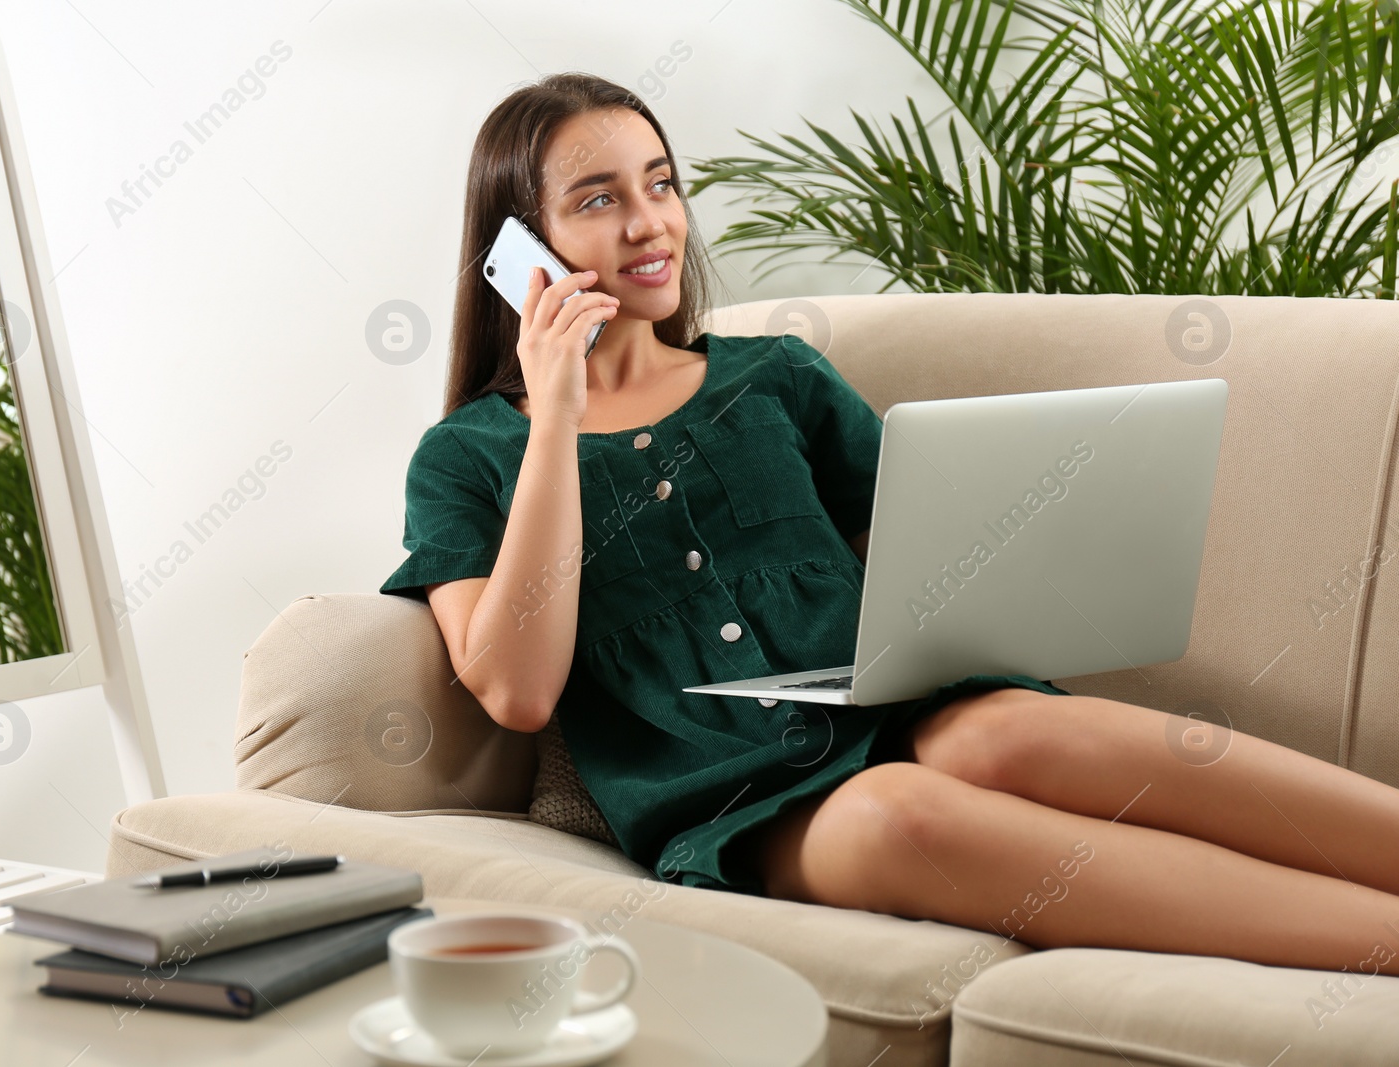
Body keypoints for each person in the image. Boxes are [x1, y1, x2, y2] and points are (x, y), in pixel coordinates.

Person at [379, 71, 1399, 976]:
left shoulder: (773, 375)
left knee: (1008, 730)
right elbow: (514, 689)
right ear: (520, 250)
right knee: (893, 810)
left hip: (896, 706)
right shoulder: (469, 455)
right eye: (599, 200)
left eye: (661, 183)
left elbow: (940, 541)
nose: (650, 224)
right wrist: (555, 410)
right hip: (732, 797)